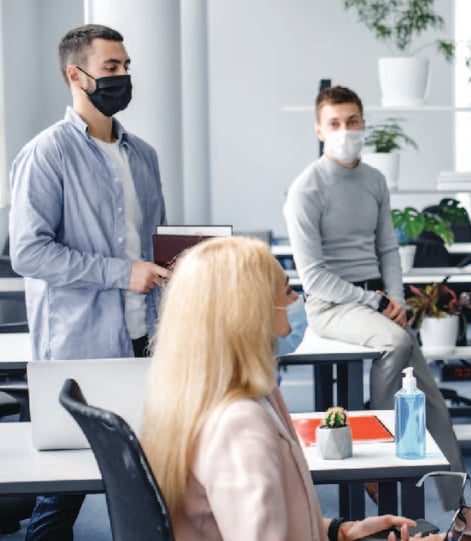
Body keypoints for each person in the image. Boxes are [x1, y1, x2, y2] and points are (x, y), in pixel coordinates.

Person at [283, 86, 471, 541]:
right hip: (333, 305)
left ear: (364, 124)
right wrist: (379, 304)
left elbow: (387, 248)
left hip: (379, 303)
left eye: (353, 121)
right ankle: (383, 459)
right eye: (336, 123)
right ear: (319, 130)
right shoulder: (306, 188)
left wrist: (395, 298)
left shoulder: (374, 181)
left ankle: (466, 513)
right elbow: (315, 277)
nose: (346, 131)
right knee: (398, 343)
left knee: (432, 403)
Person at [139, 237, 441, 541]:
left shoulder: (204, 395)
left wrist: (340, 532)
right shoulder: (239, 424)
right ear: (251, 313)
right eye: (287, 291)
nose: (298, 300)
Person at [8, 24, 169, 539]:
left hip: (146, 339)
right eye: (111, 68)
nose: (123, 77)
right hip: (81, 345)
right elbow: (29, 252)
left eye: (126, 66)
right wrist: (123, 274)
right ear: (76, 75)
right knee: (64, 494)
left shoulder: (143, 155)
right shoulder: (47, 153)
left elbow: (154, 242)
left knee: (154, 482)